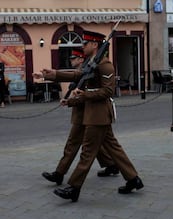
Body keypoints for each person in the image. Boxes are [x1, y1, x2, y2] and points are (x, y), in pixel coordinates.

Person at [35, 30, 143, 202]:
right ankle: (133, 179)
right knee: (114, 149)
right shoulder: (91, 63)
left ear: (94, 45)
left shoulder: (105, 65)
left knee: (87, 152)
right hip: (94, 115)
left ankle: (74, 188)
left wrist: (84, 95)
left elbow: (108, 91)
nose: (82, 46)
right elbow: (77, 74)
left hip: (98, 115)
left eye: (85, 44)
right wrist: (51, 74)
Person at [41, 48, 119, 186]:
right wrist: (50, 75)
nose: (71, 60)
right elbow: (74, 76)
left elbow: (102, 90)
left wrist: (74, 99)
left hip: (90, 111)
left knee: (84, 146)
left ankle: (63, 176)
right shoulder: (88, 66)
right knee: (99, 143)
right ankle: (113, 166)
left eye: (74, 58)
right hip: (85, 110)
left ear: (80, 59)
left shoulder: (95, 66)